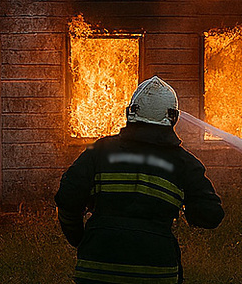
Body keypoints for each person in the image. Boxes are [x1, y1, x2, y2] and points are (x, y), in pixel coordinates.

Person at [55, 76, 224, 284]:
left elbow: (67, 198)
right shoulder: (184, 164)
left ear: (131, 112)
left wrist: (81, 240)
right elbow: (212, 215)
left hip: (97, 269)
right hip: (156, 272)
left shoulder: (100, 151)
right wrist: (186, 208)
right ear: (173, 117)